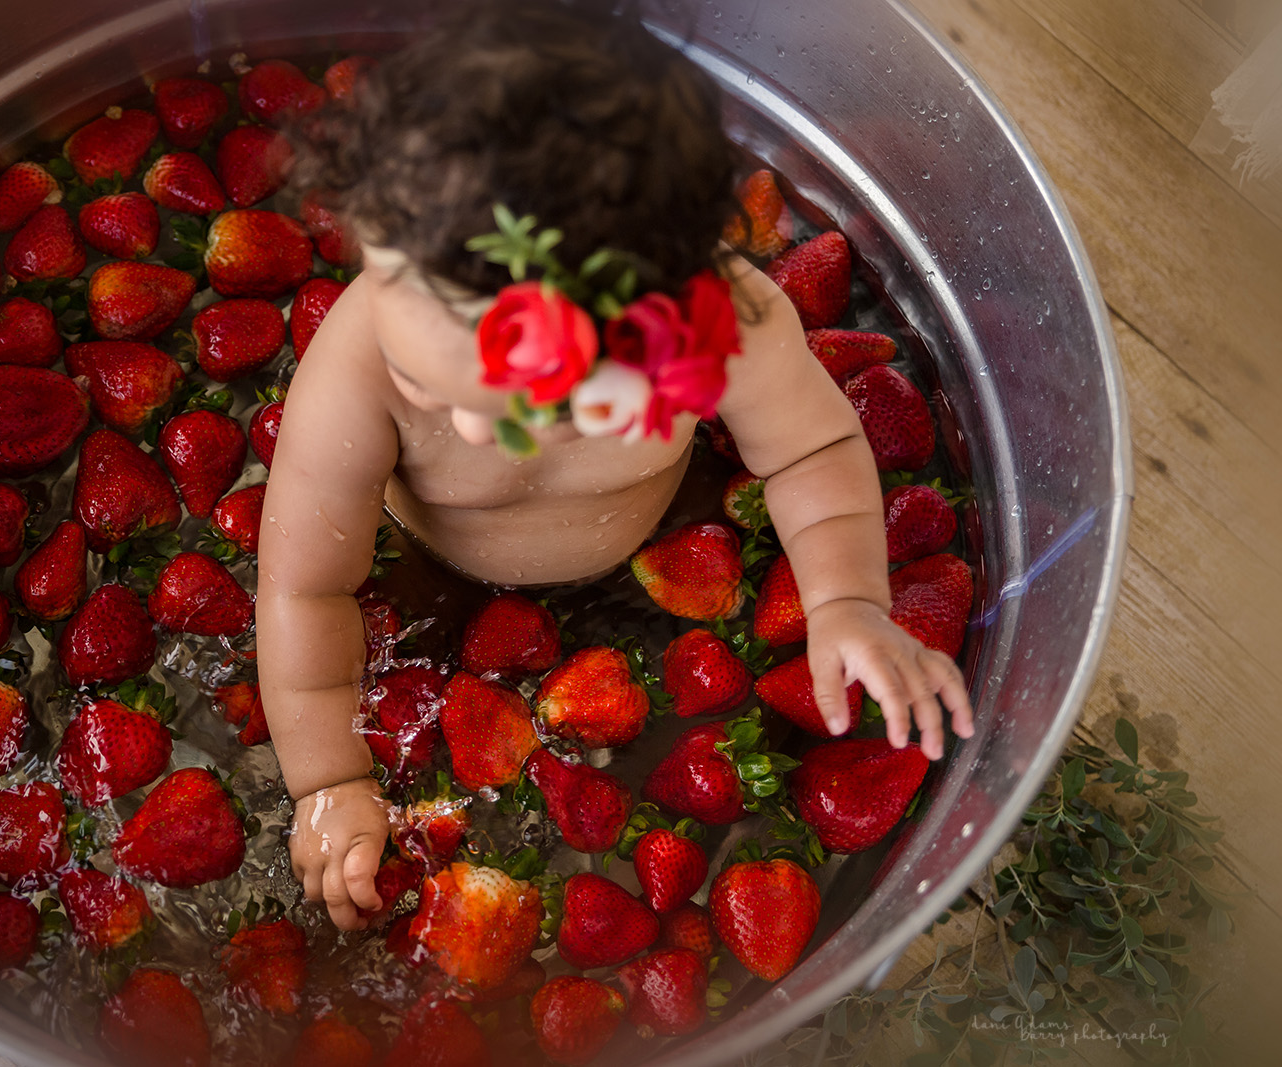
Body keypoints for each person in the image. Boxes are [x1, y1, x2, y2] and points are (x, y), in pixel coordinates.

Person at [256, 0, 973, 932]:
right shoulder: (353, 373)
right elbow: (306, 592)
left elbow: (816, 445)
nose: (471, 429)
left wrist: (845, 602)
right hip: (424, 568)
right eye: (419, 378)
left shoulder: (720, 321)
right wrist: (332, 778)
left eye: (527, 405)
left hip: (648, 550)